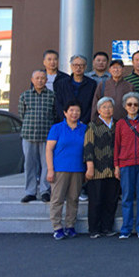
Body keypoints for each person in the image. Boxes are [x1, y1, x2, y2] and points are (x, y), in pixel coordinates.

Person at [45, 100, 87, 240]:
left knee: (73, 199)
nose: (74, 113)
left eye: (77, 111)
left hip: (78, 169)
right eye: (71, 110)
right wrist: (50, 169)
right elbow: (49, 150)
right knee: (57, 199)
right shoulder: (57, 128)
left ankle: (70, 225)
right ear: (65, 113)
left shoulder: (84, 128)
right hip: (60, 169)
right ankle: (57, 227)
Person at [114, 92, 139, 239]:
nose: (132, 107)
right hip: (126, 163)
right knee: (126, 197)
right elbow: (117, 145)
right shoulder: (120, 124)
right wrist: (116, 165)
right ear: (125, 106)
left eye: (135, 104)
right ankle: (126, 228)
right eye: (129, 104)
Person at [83, 96, 120, 238]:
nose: (107, 109)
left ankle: (107, 227)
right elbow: (88, 146)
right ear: (98, 110)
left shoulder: (117, 124)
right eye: (104, 107)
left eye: (110, 107)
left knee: (111, 200)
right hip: (97, 168)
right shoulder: (93, 125)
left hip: (113, 168)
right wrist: (89, 164)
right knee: (96, 200)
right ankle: (94, 228)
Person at [19, 70, 56, 203]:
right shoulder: (25, 96)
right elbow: (21, 115)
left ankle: (45, 191)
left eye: (42, 78)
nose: (40, 80)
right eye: (37, 78)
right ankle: (30, 192)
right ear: (32, 80)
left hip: (46, 135)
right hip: (29, 135)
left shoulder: (52, 96)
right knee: (29, 164)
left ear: (46, 80)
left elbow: (54, 115)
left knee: (46, 164)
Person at [53, 55, 97, 125]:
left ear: (85, 67)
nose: (78, 68)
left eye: (81, 65)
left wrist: (84, 120)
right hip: (64, 123)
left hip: (84, 123)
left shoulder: (92, 84)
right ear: (71, 66)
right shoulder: (62, 83)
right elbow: (58, 104)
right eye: (75, 65)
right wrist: (65, 120)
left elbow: (92, 105)